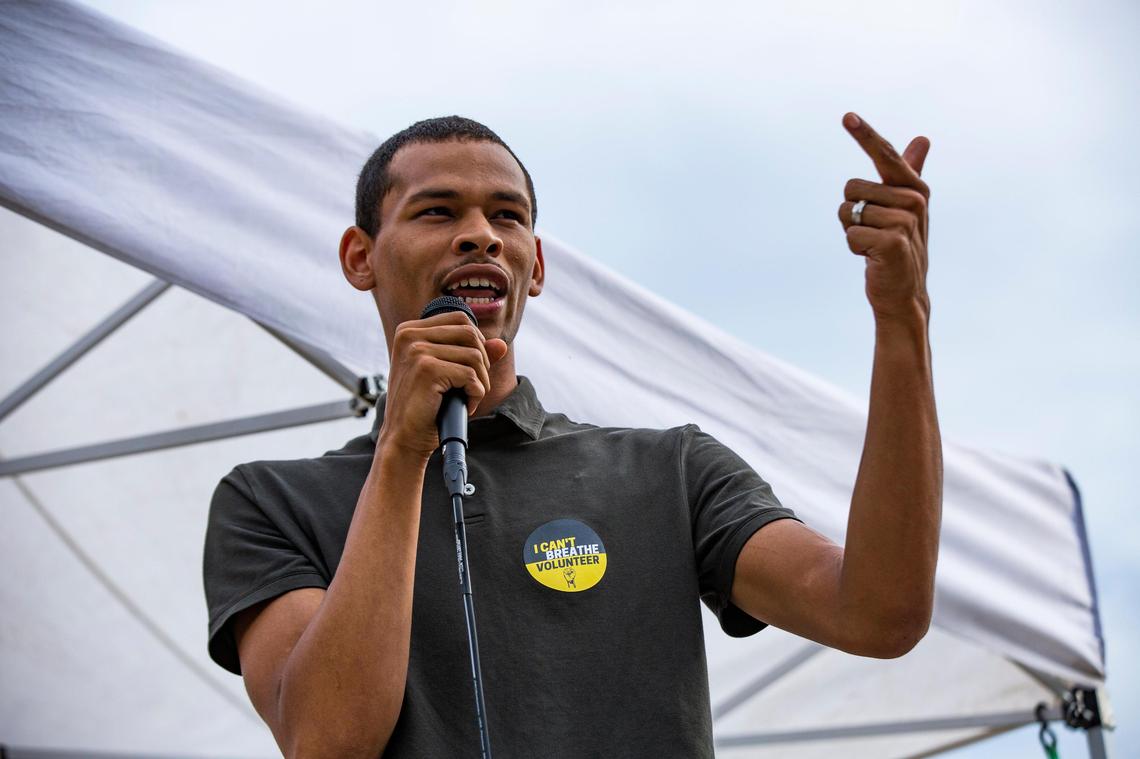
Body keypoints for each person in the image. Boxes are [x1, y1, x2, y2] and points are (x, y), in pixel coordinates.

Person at [203, 114, 942, 758]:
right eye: (436, 211)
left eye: (508, 216)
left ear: (537, 265)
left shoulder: (669, 470)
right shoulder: (272, 500)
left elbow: (877, 613)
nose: (480, 237)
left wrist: (903, 318)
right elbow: (327, 743)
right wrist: (402, 452)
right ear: (359, 256)